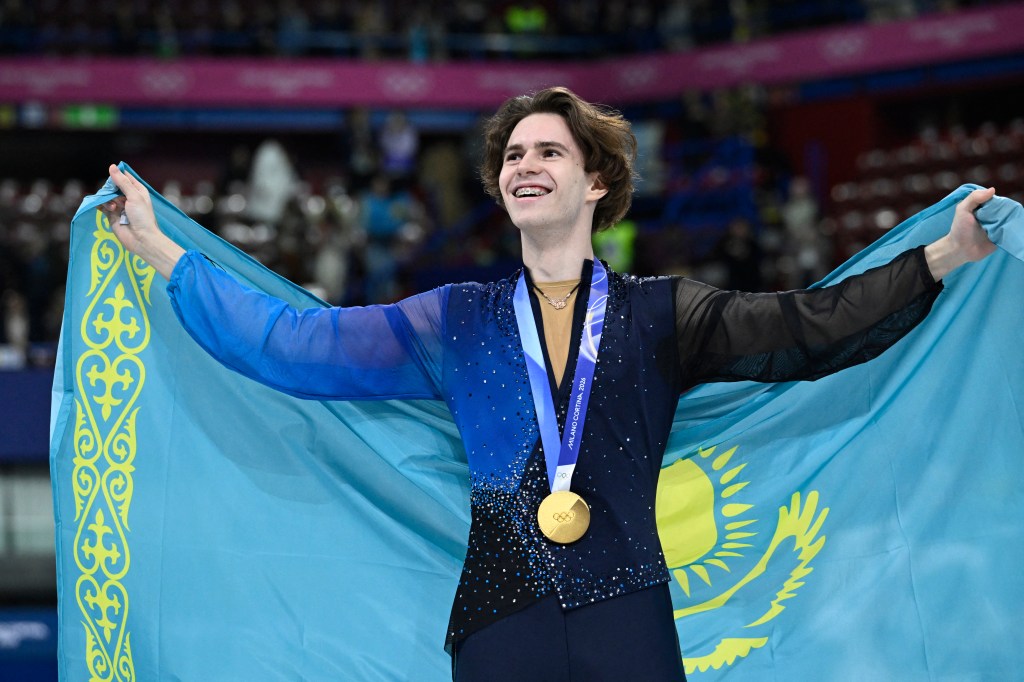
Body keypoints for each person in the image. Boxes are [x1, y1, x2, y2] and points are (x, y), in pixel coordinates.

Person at [101, 87, 997, 682]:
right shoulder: (453, 319)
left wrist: (946, 255)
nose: (524, 165)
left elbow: (809, 329)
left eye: (549, 152)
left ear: (596, 180)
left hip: (629, 617)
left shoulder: (662, 314)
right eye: (511, 156)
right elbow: (299, 346)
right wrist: (161, 250)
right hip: (502, 620)